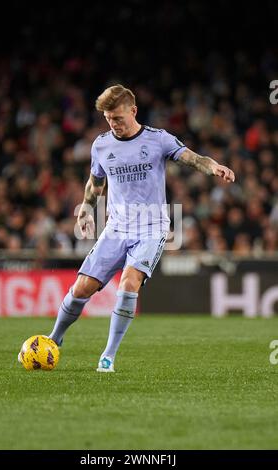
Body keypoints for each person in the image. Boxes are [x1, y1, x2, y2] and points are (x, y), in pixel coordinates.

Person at [48, 84, 235, 372]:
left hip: (151, 227)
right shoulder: (101, 145)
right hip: (116, 228)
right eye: (109, 119)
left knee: (129, 282)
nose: (114, 124)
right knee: (82, 287)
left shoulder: (158, 140)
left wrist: (214, 167)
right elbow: (95, 182)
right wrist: (86, 208)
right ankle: (54, 339)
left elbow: (194, 159)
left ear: (133, 111)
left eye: (119, 118)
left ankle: (108, 355)